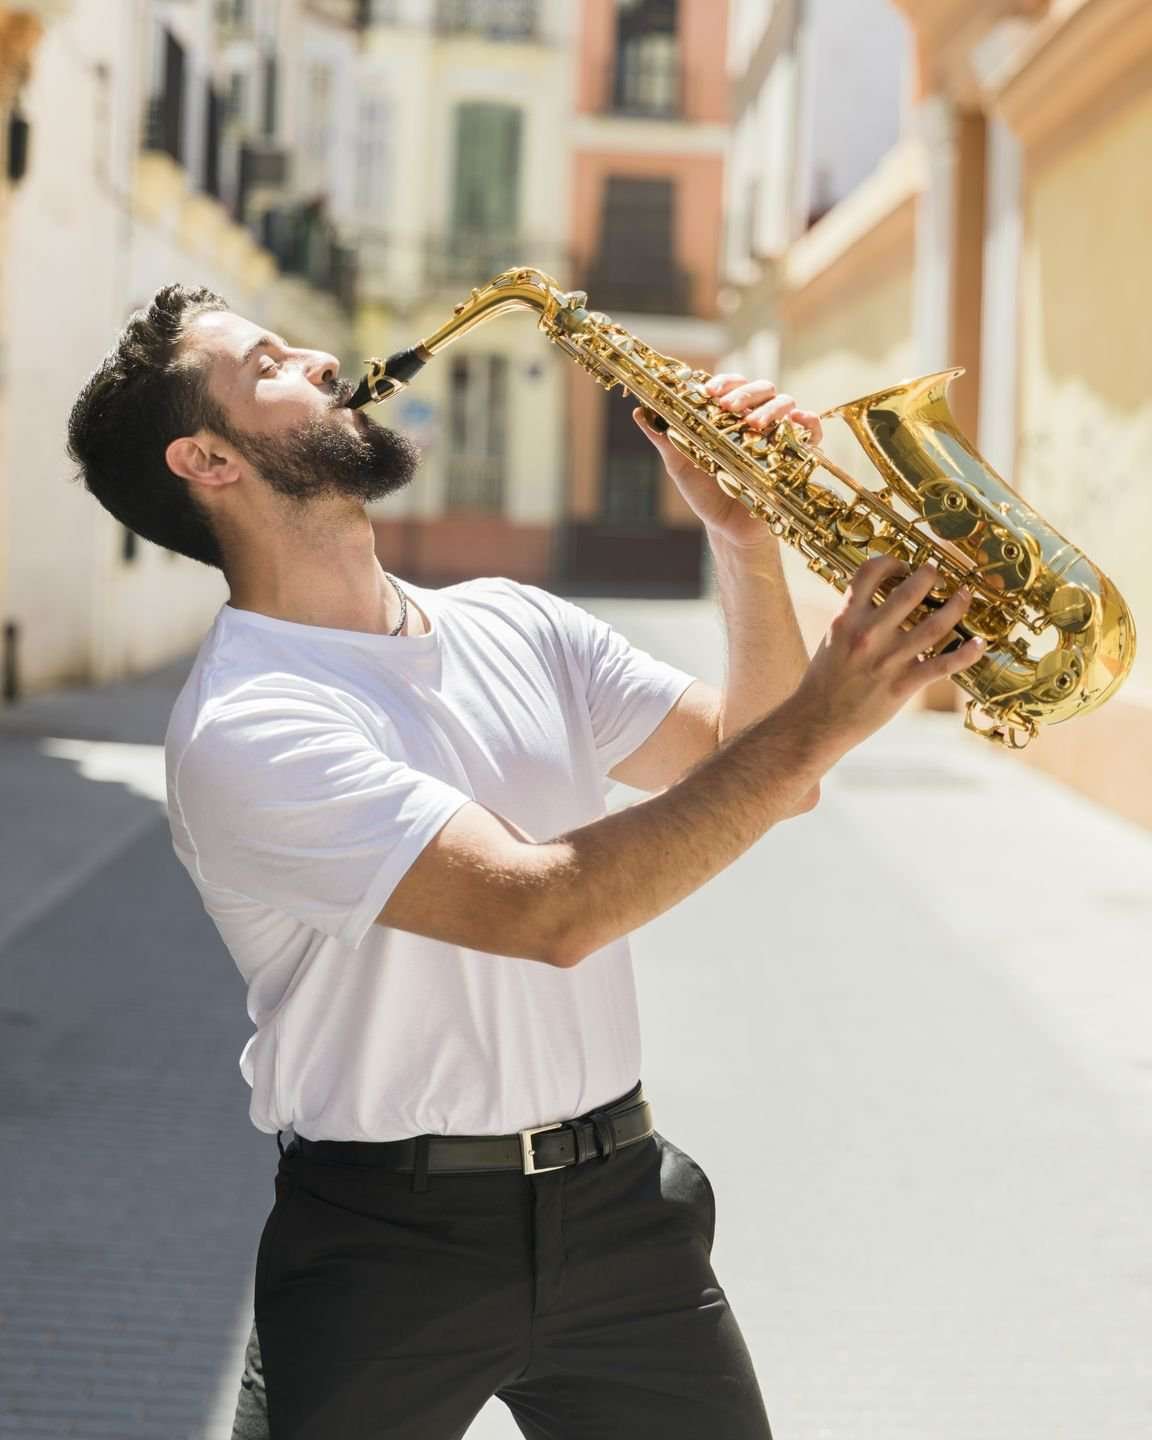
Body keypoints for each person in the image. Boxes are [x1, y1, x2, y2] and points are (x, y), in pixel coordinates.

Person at [66, 285, 984, 1440]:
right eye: (269, 363)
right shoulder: (249, 721)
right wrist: (828, 708)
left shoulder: (518, 623)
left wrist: (745, 544)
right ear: (208, 457)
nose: (319, 353)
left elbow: (765, 776)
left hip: (621, 1209)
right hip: (385, 1241)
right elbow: (549, 911)